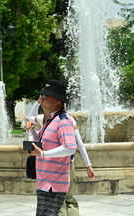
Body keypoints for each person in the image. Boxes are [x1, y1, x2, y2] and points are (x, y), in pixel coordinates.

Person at [27, 100, 96, 216]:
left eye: (45, 99)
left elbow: (77, 145)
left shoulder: (65, 120)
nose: (43, 103)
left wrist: (88, 165)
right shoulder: (46, 119)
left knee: (63, 200)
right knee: (67, 199)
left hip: (62, 165)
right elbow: (30, 117)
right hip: (56, 166)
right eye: (42, 100)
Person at [25, 79, 77, 216]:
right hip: (45, 181)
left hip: (54, 184)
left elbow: (70, 147)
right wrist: (32, 131)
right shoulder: (51, 120)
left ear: (57, 101)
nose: (41, 101)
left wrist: (43, 154)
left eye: (44, 97)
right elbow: (41, 142)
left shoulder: (63, 121)